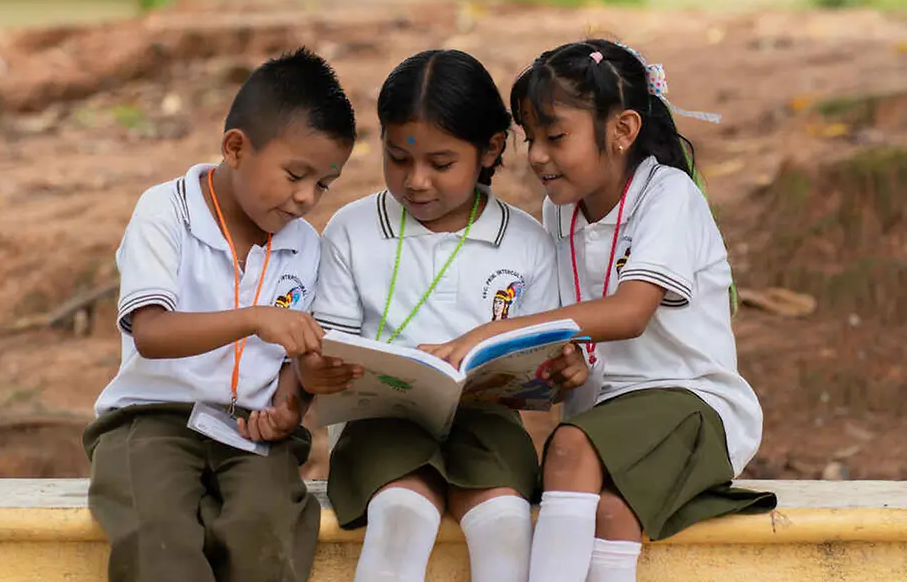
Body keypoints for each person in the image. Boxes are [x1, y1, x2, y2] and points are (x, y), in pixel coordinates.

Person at [426, 39, 777, 582]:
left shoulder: (669, 195)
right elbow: (574, 327)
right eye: (530, 137)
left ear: (623, 130)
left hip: (694, 408)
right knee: (609, 513)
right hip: (604, 416)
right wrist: (554, 363)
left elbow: (630, 312)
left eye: (556, 136)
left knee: (567, 445)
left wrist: (495, 332)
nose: (537, 155)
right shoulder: (560, 209)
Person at [297, 49, 586, 582]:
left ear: (491, 149)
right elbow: (327, 346)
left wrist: (562, 371)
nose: (417, 182)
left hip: (487, 421)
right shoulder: (351, 230)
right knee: (403, 514)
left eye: (441, 163)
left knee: (505, 520)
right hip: (380, 423)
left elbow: (544, 351)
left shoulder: (524, 241)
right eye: (399, 159)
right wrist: (317, 370)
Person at [82, 47, 357, 582]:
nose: (305, 198)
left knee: (268, 530)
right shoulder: (166, 212)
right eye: (295, 174)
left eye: (322, 184)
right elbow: (152, 333)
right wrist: (253, 317)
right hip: (150, 420)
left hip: (249, 433)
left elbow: (292, 360)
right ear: (235, 148)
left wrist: (287, 405)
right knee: (155, 534)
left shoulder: (306, 247)